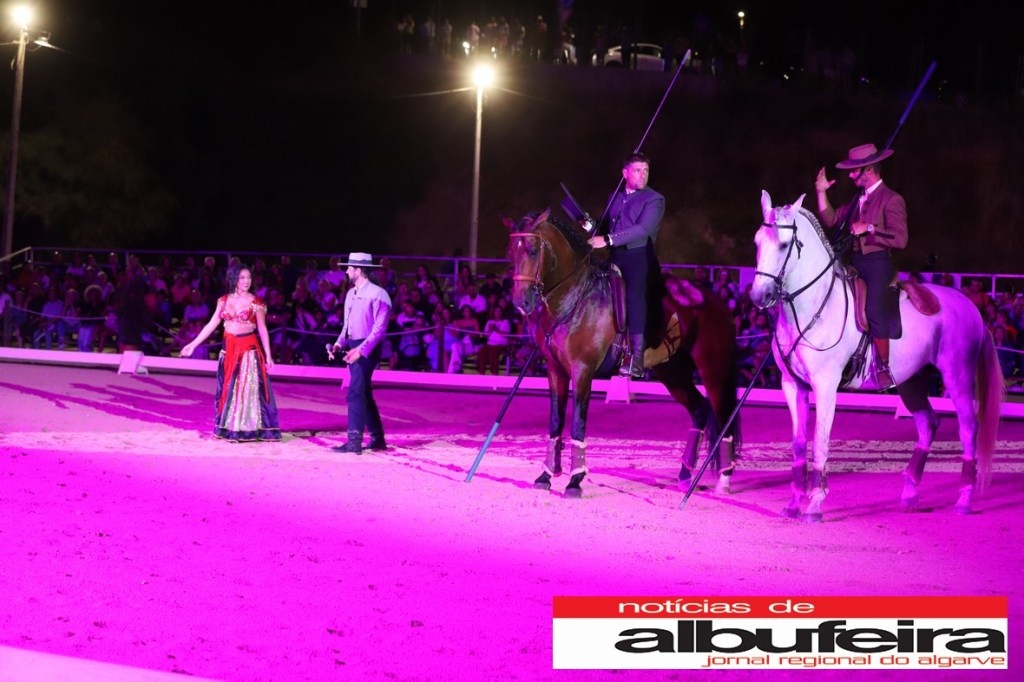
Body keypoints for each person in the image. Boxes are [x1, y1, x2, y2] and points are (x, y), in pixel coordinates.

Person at [815, 143, 908, 390]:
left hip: (878, 264)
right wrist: (821, 193)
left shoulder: (892, 199)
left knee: (874, 310)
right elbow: (832, 219)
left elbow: (900, 239)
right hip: (854, 262)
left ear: (868, 170)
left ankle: (884, 367)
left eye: (854, 171)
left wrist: (869, 228)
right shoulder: (858, 198)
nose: (850, 176)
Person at [587, 152, 665, 378]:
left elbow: (642, 229)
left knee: (633, 297)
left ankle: (637, 357)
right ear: (625, 174)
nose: (643, 175)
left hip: (638, 257)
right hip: (613, 256)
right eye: (637, 170)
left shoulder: (654, 199)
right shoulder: (615, 196)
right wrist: (590, 225)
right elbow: (605, 228)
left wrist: (607, 239)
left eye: (646, 170)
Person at [181, 264, 281, 442]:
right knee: (230, 390)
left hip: (248, 351)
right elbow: (212, 324)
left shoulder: (256, 303)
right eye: (242, 277)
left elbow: (262, 329)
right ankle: (230, 428)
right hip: (229, 350)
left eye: (249, 277)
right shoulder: (223, 300)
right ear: (234, 279)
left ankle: (246, 430)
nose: (246, 281)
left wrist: (268, 355)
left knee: (246, 391)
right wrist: (193, 344)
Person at [328, 253, 392, 454]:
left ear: (358, 270)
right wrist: (339, 343)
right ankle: (377, 438)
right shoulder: (350, 293)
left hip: (368, 347)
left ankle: (354, 441)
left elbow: (379, 329)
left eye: (349, 267)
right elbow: (347, 325)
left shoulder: (379, 294)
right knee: (363, 391)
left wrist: (361, 350)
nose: (346, 271)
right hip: (354, 344)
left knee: (355, 391)